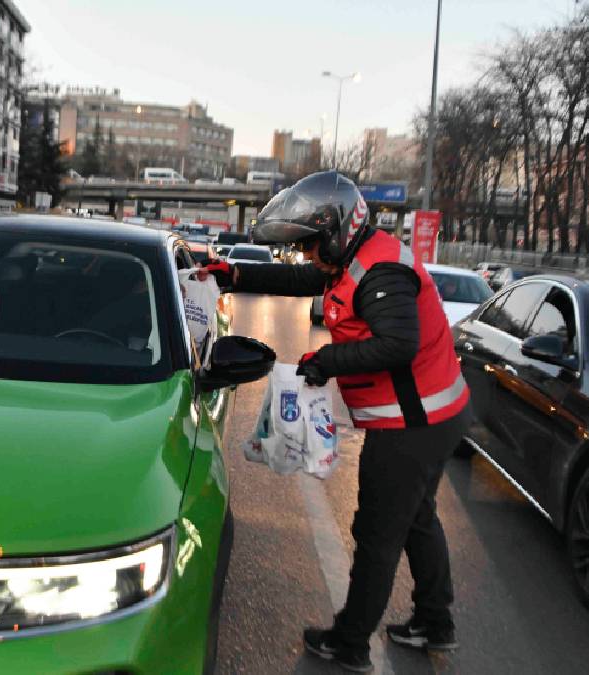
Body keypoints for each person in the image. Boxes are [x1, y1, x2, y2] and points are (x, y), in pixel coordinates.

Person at [202, 171, 471, 672]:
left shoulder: (382, 273)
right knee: (418, 520)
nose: (307, 255)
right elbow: (303, 279)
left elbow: (398, 344)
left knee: (376, 534)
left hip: (413, 425)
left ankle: (350, 642)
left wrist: (325, 362)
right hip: (436, 418)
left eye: (310, 245)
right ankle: (436, 622)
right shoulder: (355, 259)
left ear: (336, 232)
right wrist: (235, 274)